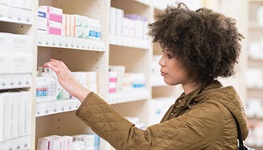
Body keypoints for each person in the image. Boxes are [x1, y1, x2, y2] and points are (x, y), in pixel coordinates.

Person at [43, 2, 249, 150]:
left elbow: (139, 144)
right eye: (163, 53)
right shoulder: (191, 100)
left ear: (194, 58)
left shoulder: (212, 114)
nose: (161, 61)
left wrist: (80, 91)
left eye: (170, 55)